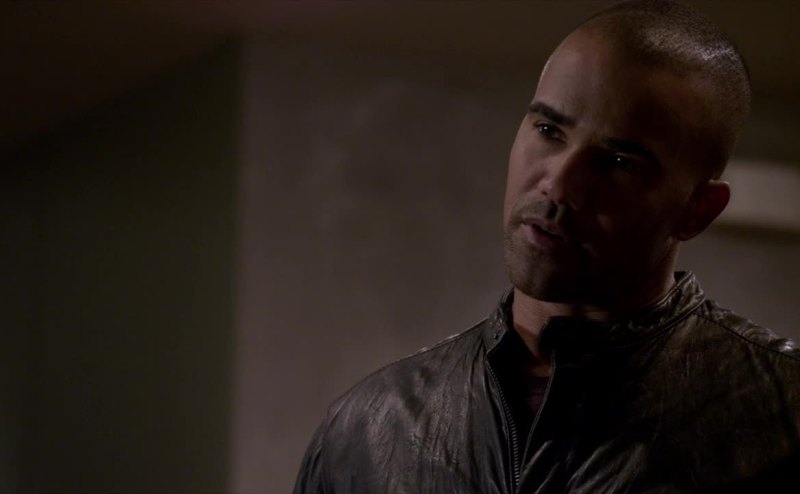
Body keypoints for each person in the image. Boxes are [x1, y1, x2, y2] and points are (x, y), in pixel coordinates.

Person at [294, 1, 800, 492]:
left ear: (698, 210)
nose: (558, 185)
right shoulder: (366, 430)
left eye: (619, 162)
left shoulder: (784, 419)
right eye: (549, 130)